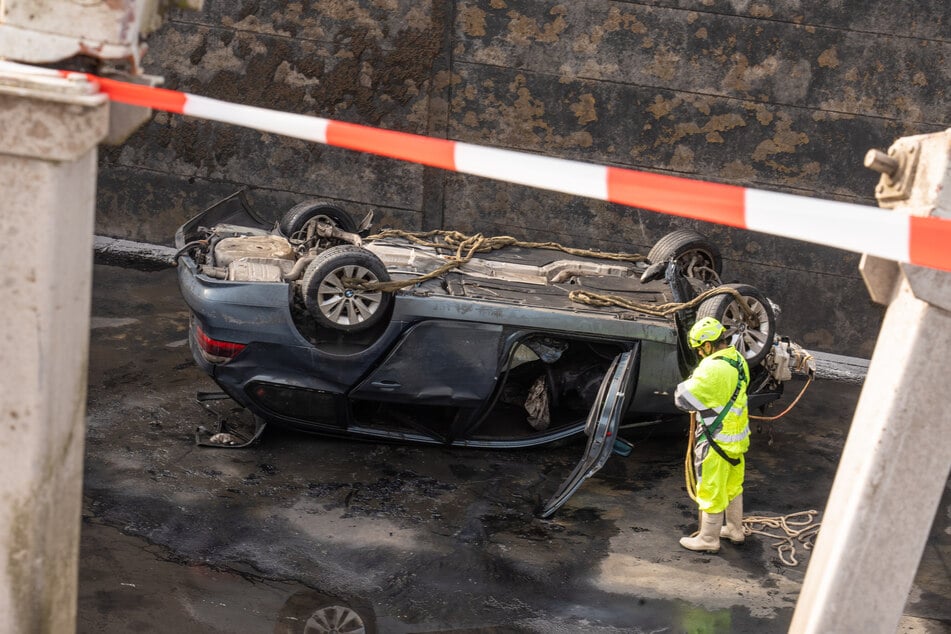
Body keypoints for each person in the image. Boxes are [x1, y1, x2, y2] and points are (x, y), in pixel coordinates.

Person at [675, 316, 750, 553]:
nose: (699, 354)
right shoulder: (738, 360)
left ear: (708, 345)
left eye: (699, 349)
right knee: (732, 486)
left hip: (715, 441)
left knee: (711, 487)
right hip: (737, 439)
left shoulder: (712, 367)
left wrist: (689, 382)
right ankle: (735, 530)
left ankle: (708, 538)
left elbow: (682, 398)